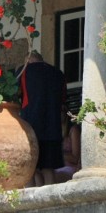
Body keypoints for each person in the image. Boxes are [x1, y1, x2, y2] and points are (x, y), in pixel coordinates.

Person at [20, 51, 67, 186]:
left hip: (31, 125)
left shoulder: (25, 72)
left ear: (28, 61)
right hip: (53, 127)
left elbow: (18, 95)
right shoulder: (58, 74)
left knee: (30, 168)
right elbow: (63, 100)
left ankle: (29, 198)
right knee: (48, 169)